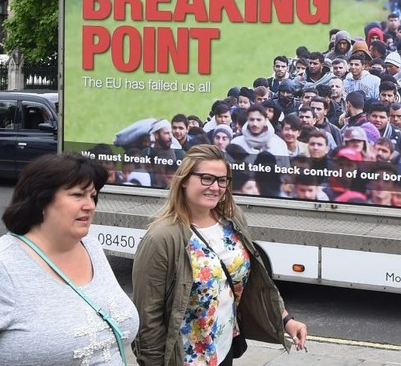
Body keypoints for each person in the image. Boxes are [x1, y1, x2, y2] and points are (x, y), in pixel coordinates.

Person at [0, 153, 138, 365]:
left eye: (92, 196)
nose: (90, 205)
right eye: (77, 195)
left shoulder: (91, 246)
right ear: (41, 200)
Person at [131, 145, 307, 366]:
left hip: (223, 349)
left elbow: (256, 282)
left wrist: (286, 320)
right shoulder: (161, 238)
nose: (215, 187)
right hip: (185, 359)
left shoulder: (232, 219)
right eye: (206, 178)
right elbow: (148, 317)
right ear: (184, 180)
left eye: (222, 180)